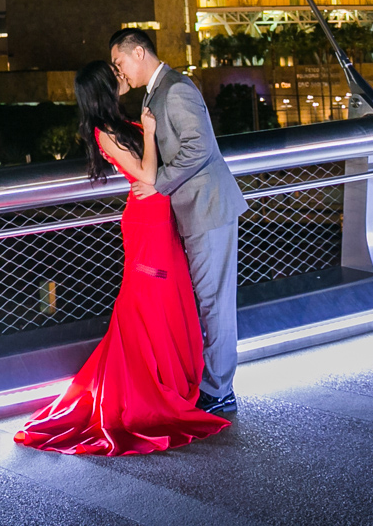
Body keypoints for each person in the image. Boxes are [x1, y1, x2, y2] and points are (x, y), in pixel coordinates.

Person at [14, 61, 230, 455]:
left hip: (164, 218)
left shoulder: (120, 122)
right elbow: (148, 176)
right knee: (148, 303)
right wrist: (148, 133)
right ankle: (150, 388)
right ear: (103, 88)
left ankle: (172, 381)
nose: (121, 78)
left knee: (173, 299)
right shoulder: (105, 132)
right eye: (114, 76)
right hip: (148, 224)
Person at [110, 26, 247, 413]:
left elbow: (199, 147)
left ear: (138, 53)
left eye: (120, 63)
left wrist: (159, 186)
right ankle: (214, 383)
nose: (121, 72)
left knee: (214, 302)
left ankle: (220, 390)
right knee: (207, 301)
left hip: (207, 207)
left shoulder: (175, 88)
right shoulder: (157, 91)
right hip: (195, 210)